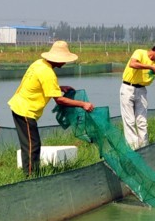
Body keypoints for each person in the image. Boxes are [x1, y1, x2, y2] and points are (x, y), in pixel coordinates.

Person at [8, 41, 94, 176]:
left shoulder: (39, 63)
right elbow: (59, 100)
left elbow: (39, 84)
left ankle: (31, 174)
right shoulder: (48, 73)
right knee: (32, 146)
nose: (64, 63)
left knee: (31, 145)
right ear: (57, 59)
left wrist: (59, 88)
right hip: (25, 110)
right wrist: (83, 104)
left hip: (19, 105)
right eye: (63, 60)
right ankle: (31, 177)